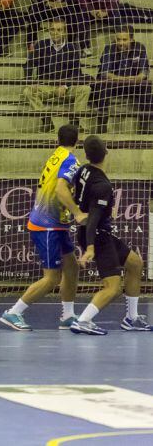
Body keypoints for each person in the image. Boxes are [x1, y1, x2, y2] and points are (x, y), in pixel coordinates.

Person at [0, 124, 87, 331]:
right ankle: (13, 312)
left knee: (72, 266)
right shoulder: (71, 160)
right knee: (52, 278)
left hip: (56, 224)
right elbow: (60, 189)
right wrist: (77, 212)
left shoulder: (56, 155)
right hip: (47, 225)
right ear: (77, 140)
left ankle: (67, 315)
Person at [70, 135, 150, 335]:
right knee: (112, 287)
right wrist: (90, 248)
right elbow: (94, 218)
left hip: (98, 232)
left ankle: (131, 318)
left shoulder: (83, 171)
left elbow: (73, 192)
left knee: (135, 263)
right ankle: (82, 320)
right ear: (106, 152)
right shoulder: (102, 186)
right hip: (96, 235)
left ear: (86, 155)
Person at [23, 19, 92, 132]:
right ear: (49, 31)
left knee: (85, 89)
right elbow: (28, 65)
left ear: (65, 32)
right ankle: (46, 120)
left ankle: (75, 122)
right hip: (47, 86)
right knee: (27, 91)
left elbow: (76, 72)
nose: (55, 32)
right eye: (52, 29)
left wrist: (65, 86)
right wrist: (31, 82)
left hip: (66, 88)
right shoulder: (41, 45)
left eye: (59, 30)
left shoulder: (72, 48)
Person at [90, 25, 153, 134]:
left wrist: (138, 77)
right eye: (118, 39)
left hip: (132, 85)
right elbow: (105, 73)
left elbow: (144, 71)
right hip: (114, 85)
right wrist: (124, 79)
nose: (121, 43)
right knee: (102, 86)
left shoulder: (140, 48)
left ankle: (145, 127)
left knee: (147, 87)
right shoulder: (109, 48)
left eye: (124, 39)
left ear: (132, 39)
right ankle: (102, 126)